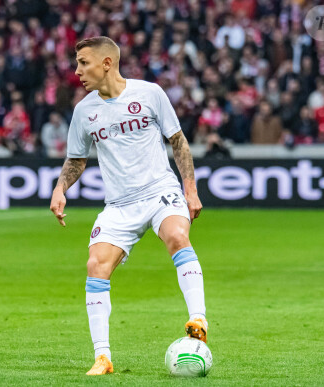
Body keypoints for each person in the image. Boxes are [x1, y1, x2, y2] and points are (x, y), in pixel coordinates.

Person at [49, 37, 206, 376]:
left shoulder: (150, 94)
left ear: (107, 63)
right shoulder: (84, 111)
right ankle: (102, 357)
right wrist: (61, 187)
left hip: (160, 191)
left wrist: (189, 190)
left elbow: (178, 141)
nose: (77, 71)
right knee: (95, 265)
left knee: (178, 236)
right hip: (119, 205)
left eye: (83, 63)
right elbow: (76, 160)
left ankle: (198, 319)